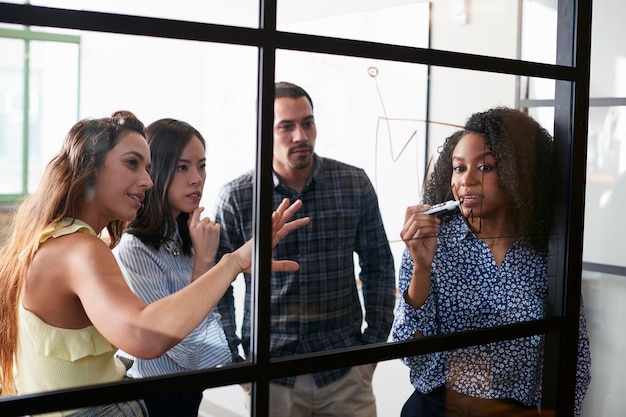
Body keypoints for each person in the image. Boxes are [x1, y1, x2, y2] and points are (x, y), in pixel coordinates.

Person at [0, 111, 309, 417]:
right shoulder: (81, 249)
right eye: (132, 163)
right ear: (90, 166)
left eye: (147, 168)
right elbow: (144, 337)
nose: (147, 181)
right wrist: (232, 262)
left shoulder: (56, 239)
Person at [391, 107, 592, 417]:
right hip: (436, 409)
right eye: (459, 168)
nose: (467, 180)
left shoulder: (548, 253)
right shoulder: (432, 242)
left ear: (518, 173)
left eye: (484, 167)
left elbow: (575, 360)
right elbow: (409, 350)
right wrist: (421, 267)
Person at [212, 81, 396, 417]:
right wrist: (234, 360)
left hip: (344, 368)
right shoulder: (238, 196)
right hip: (270, 371)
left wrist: (373, 347)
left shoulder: (353, 183)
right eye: (286, 126)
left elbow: (379, 265)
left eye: (307, 123)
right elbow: (219, 285)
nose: (300, 135)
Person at [112, 118, 231, 417]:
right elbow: (191, 350)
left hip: (189, 393)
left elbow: (209, 349)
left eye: (201, 165)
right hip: (151, 400)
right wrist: (205, 264)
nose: (197, 178)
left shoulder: (191, 236)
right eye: (183, 167)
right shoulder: (134, 249)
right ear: (156, 171)